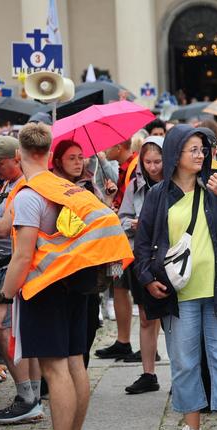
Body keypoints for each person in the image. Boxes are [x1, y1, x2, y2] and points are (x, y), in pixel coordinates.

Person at [0, 122, 133, 430]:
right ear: (51, 153)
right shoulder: (68, 188)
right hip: (77, 282)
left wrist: (3, 301)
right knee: (75, 365)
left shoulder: (30, 195)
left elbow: (23, 256)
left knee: (55, 372)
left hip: (45, 287)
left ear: (18, 154)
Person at [134, 124, 217, 430]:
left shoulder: (215, 186)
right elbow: (142, 245)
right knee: (184, 362)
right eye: (193, 149)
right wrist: (147, 280)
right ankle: (192, 428)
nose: (201, 154)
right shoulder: (157, 195)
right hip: (177, 293)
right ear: (175, 154)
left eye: (203, 149)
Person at [0, 136, 45, 424]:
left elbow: (5, 230)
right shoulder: (12, 186)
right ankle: (31, 396)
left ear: (16, 159)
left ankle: (27, 398)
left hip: (16, 267)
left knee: (3, 329)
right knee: (22, 334)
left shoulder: (21, 187)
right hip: (16, 266)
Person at [50, 140, 118, 368]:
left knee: (88, 326)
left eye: (81, 157)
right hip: (61, 268)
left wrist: (108, 201)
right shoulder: (51, 187)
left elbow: (103, 224)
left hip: (89, 267)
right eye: (72, 158)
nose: (79, 162)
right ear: (58, 161)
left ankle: (79, 374)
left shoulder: (89, 185)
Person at [118, 136, 165, 394]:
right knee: (146, 317)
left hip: (168, 257)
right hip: (143, 256)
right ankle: (149, 373)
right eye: (147, 162)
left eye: (157, 161)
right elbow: (122, 218)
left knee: (171, 319)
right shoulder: (135, 185)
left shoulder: (175, 185)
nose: (153, 167)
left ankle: (184, 376)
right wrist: (134, 223)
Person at [95, 139, 139, 361]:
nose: (105, 149)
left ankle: (146, 345)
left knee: (137, 290)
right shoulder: (124, 167)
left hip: (131, 239)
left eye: (108, 146)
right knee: (119, 286)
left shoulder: (134, 166)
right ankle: (123, 341)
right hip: (119, 237)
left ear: (119, 147)